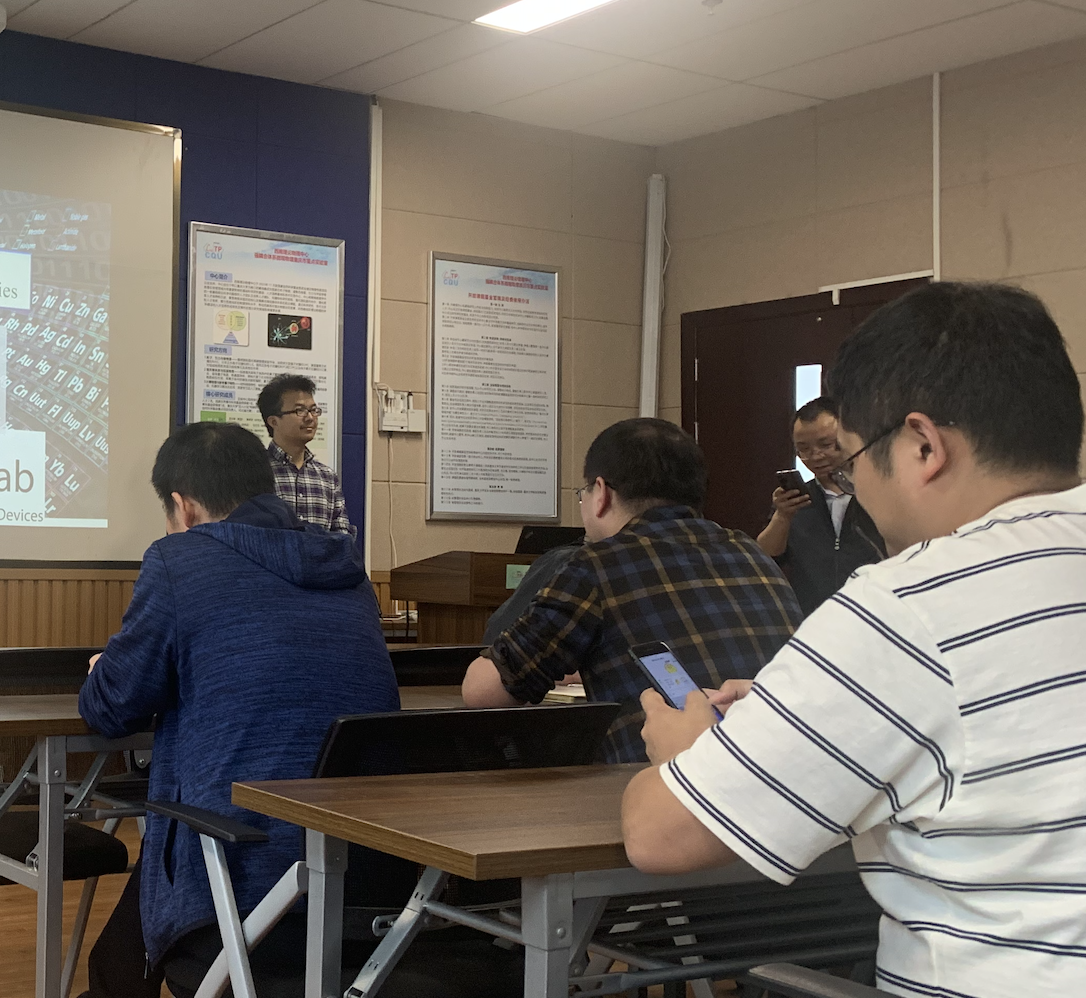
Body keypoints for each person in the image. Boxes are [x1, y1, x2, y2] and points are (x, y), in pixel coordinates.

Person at [623, 282, 1086, 996]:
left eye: (852, 457)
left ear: (924, 446)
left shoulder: (912, 602)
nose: (854, 482)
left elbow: (661, 836)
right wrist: (800, 711)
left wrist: (686, 751)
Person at [77, 421, 399, 998]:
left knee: (181, 837)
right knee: (124, 947)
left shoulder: (179, 559)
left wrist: (103, 670)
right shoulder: (345, 569)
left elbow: (113, 707)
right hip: (374, 887)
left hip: (245, 885)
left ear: (184, 506)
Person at [461, 418, 802, 763]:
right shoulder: (753, 553)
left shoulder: (596, 565)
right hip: (784, 773)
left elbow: (483, 693)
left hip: (662, 779)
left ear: (601, 493)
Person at [755, 396, 887, 616]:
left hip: (876, 615)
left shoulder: (881, 492)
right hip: (813, 619)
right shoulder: (796, 500)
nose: (815, 456)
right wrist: (782, 517)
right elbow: (765, 557)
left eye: (826, 445)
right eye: (803, 449)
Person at [257, 373, 352, 535]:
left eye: (313, 410)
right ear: (273, 421)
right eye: (299, 411)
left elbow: (342, 536)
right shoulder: (255, 472)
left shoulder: (327, 477)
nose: (310, 418)